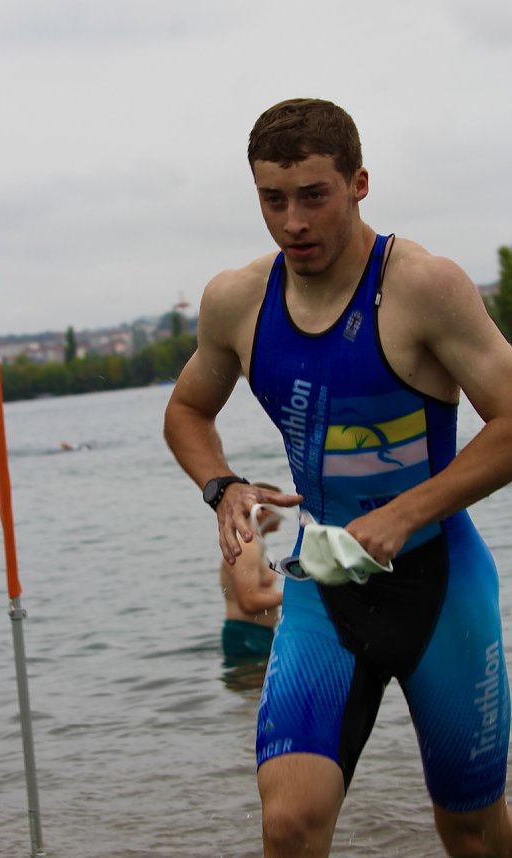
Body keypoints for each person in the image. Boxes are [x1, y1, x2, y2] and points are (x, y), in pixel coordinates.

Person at [163, 98, 512, 857]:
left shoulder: (424, 286)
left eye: (312, 196)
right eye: (272, 199)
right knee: (289, 823)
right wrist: (222, 485)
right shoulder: (238, 301)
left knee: (471, 832)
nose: (292, 221)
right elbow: (187, 411)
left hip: (437, 583)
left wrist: (403, 513)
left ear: (357, 183)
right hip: (324, 586)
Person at [220, 483, 283, 662]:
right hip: (246, 635)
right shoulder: (246, 546)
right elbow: (248, 602)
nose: (282, 515)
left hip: (257, 633)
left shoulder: (256, 544)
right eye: (278, 507)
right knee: (254, 690)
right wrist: (291, 595)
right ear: (261, 510)